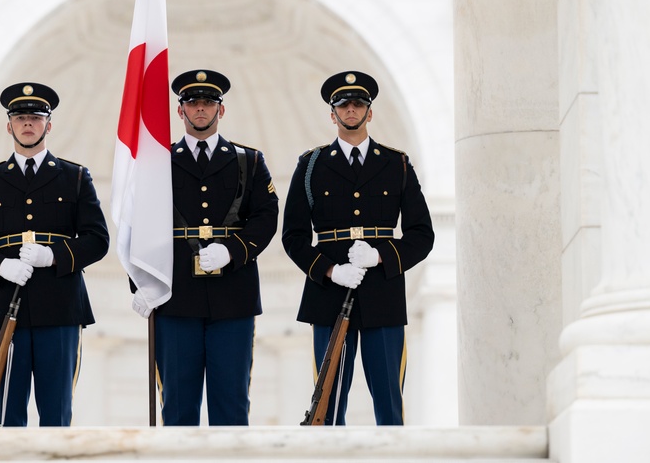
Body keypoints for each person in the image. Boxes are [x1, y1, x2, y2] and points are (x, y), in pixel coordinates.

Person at [282, 71, 434, 426]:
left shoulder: (396, 164)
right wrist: (332, 270)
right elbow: (293, 237)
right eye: (343, 105)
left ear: (370, 112)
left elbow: (422, 234)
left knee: (389, 403)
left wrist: (380, 255)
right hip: (329, 294)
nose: (352, 110)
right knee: (328, 404)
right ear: (332, 114)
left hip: (383, 290)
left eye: (358, 104)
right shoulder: (311, 166)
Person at [130, 69, 279, 426]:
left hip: (233, 295)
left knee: (231, 406)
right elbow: (138, 225)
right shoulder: (157, 162)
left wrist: (234, 250)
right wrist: (142, 283)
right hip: (176, 296)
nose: (201, 109)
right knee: (178, 409)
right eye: (192, 103)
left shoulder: (249, 160)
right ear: (179, 111)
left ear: (221, 110)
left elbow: (266, 216)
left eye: (208, 103)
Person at [0, 82, 109, 427]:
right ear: (9, 125)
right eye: (21, 117)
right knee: (6, 411)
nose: (28, 123)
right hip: (4, 303)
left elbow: (97, 239)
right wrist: (0, 265)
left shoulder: (74, 178)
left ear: (49, 125)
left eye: (36, 117)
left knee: (56, 413)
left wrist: (53, 256)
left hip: (60, 306)